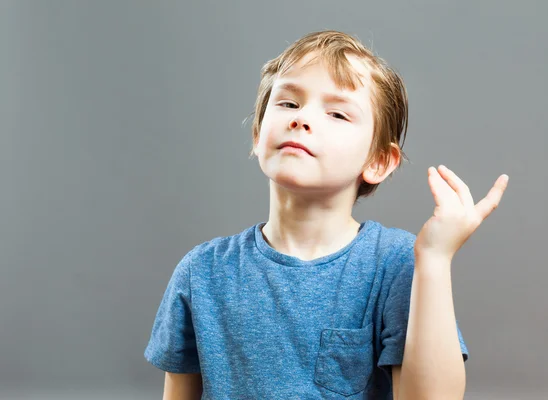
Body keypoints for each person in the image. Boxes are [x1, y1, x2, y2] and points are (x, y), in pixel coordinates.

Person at [143, 29, 509, 399]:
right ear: (257, 133)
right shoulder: (201, 271)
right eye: (288, 103)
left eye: (336, 112)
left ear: (378, 161)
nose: (301, 119)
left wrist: (434, 259)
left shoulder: (397, 263)